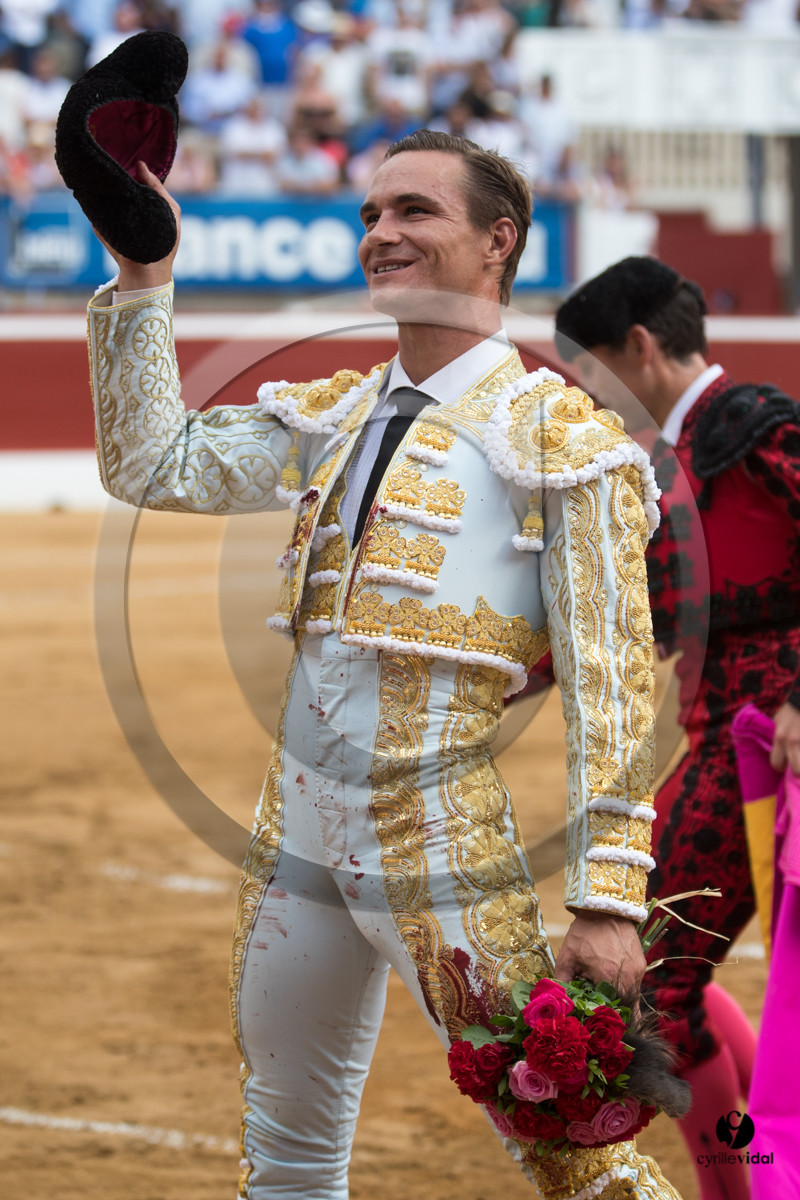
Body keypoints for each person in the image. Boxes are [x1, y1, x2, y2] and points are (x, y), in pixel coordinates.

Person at [85, 132, 681, 1199]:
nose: (380, 234)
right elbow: (150, 462)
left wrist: (607, 902)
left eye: (412, 211)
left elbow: (612, 686)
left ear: (496, 241)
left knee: (574, 1161)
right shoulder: (335, 413)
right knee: (286, 1150)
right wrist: (144, 274)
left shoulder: (564, 441)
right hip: (294, 829)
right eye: (368, 215)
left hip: (438, 828)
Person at [555, 255, 800, 1200]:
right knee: (665, 966)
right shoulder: (681, 453)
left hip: (770, 743)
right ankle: (751, 1172)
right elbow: (652, 613)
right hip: (726, 745)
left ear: (641, 347)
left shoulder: (755, 429)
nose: (589, 393)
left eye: (592, 371)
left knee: (656, 970)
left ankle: (739, 1189)